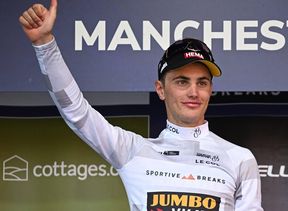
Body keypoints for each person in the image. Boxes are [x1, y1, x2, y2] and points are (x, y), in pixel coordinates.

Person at [19, 0, 264, 210]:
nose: (193, 92)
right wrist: (45, 44)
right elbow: (75, 112)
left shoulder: (240, 159)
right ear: (160, 89)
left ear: (210, 90)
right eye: (181, 81)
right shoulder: (133, 151)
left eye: (202, 83)